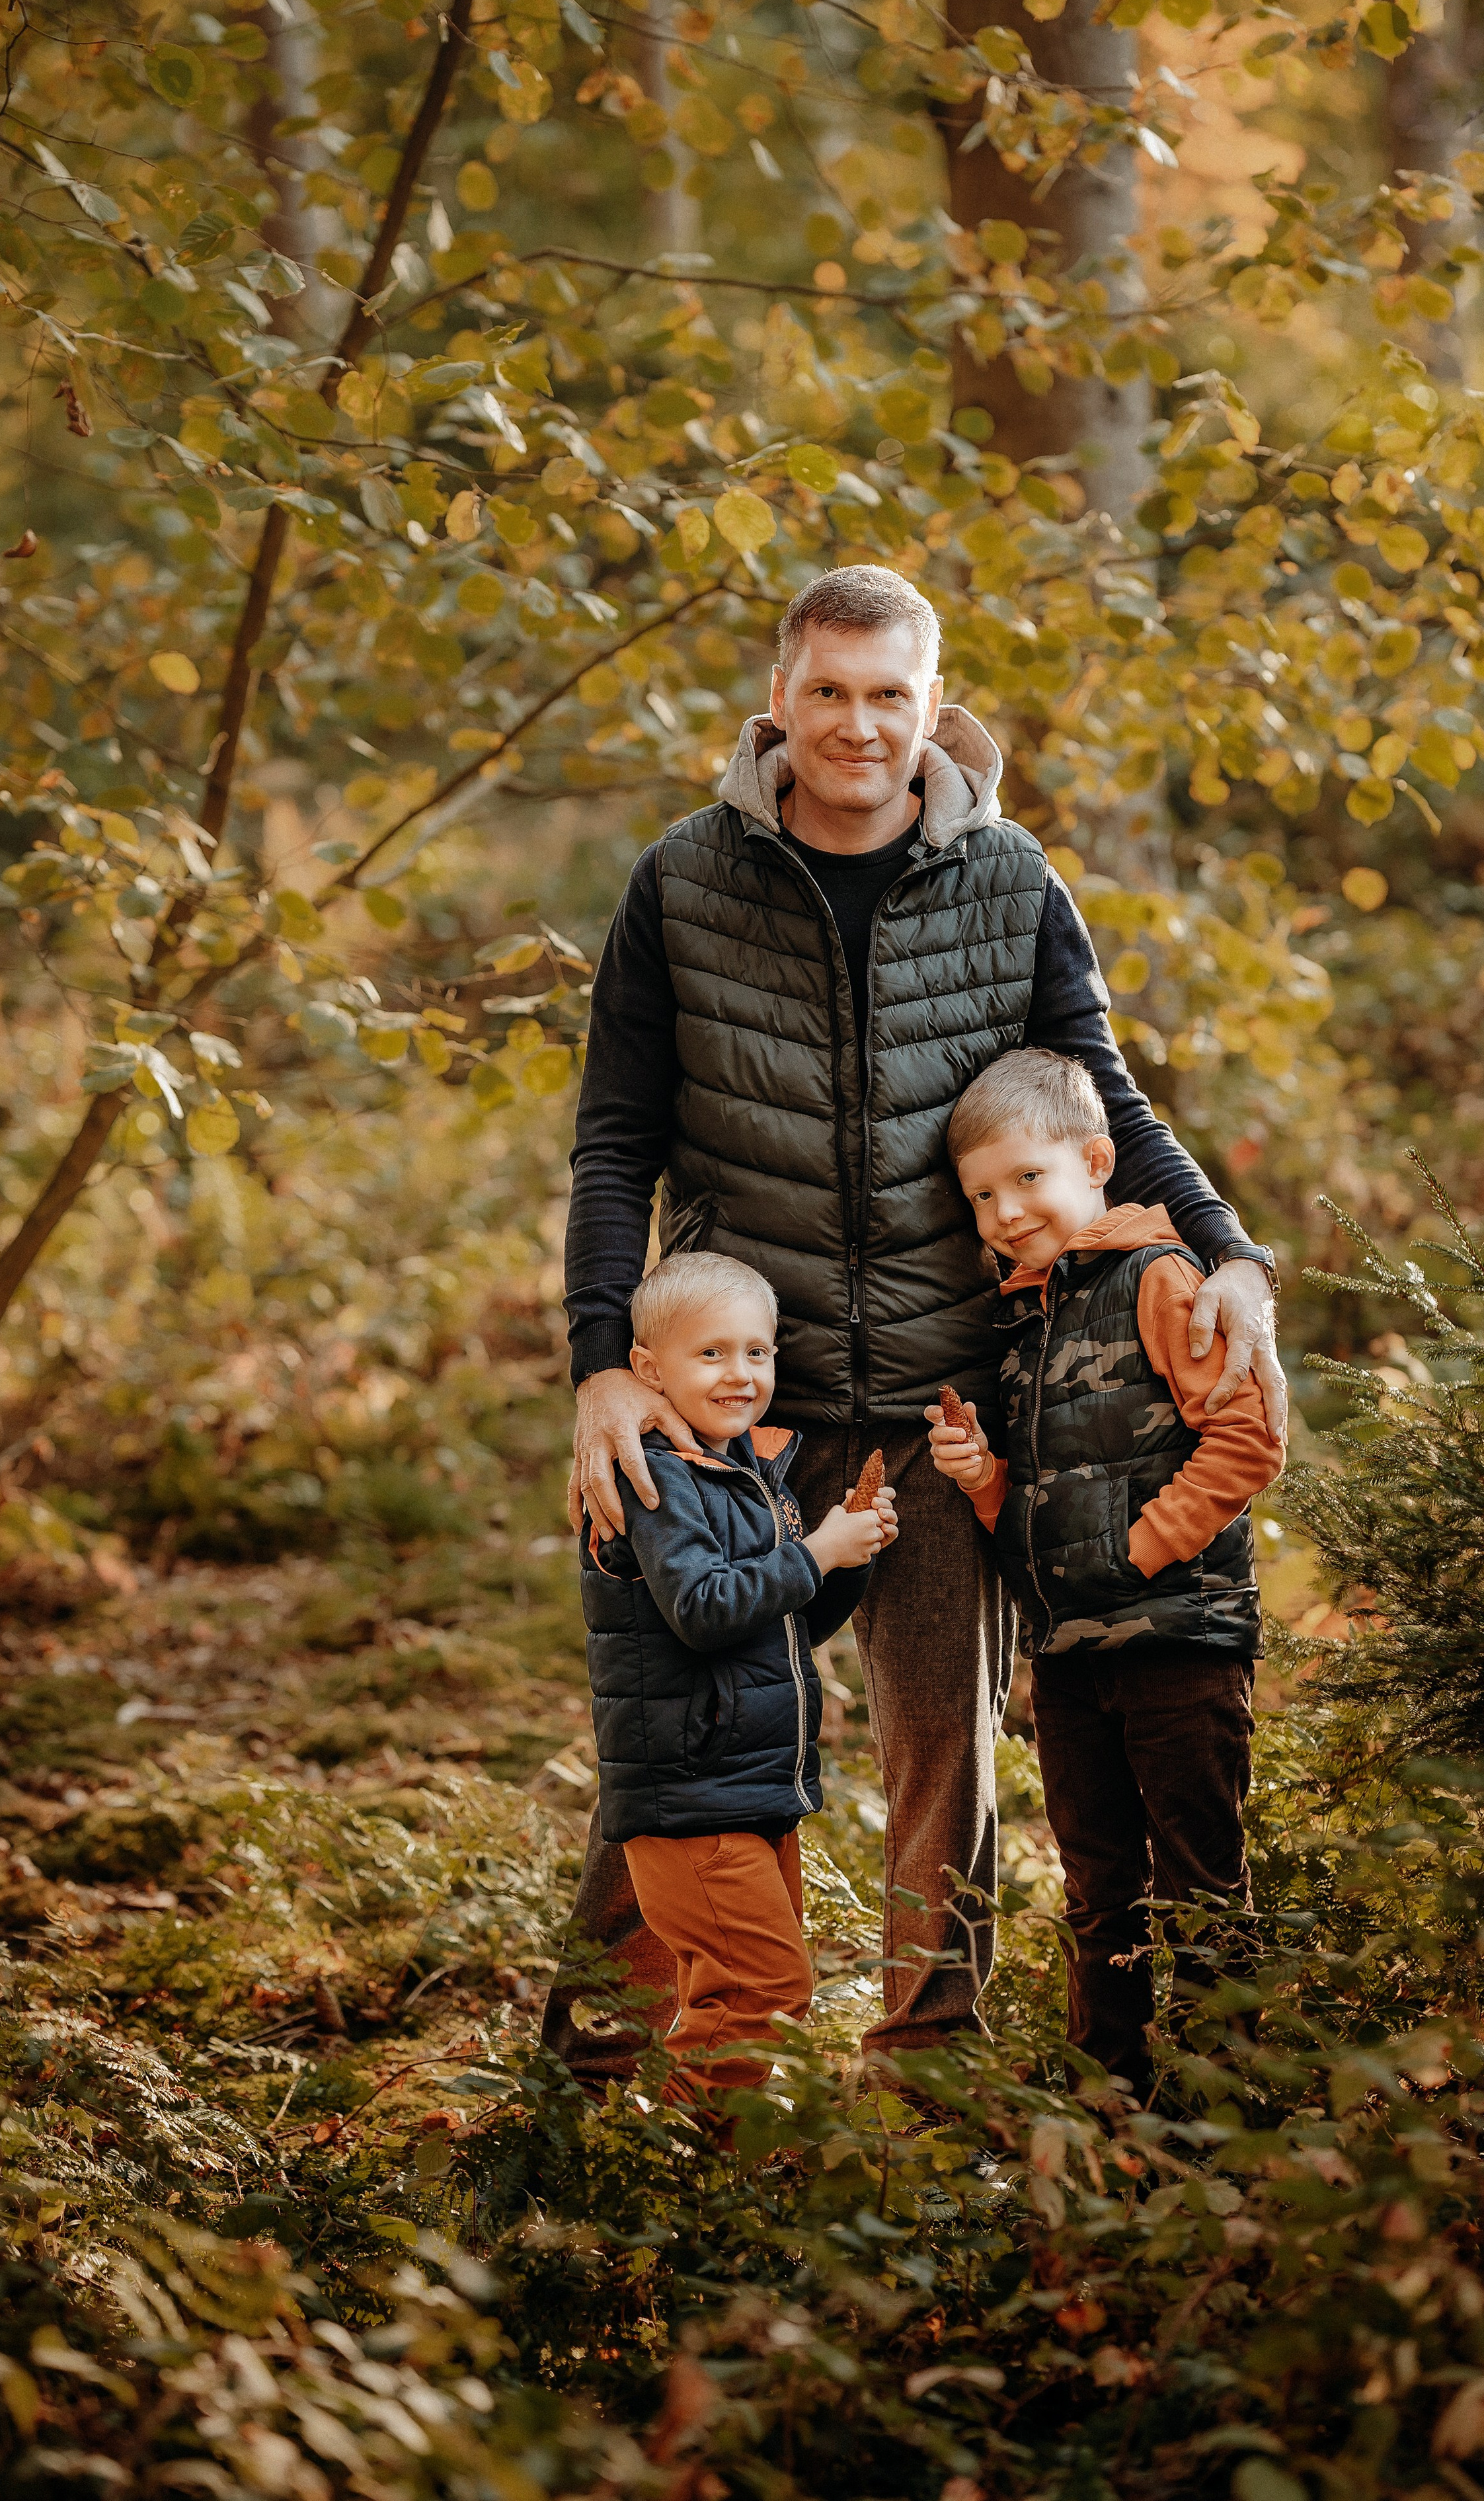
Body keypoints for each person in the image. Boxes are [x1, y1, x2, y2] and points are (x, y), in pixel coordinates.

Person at [548, 561, 1285, 2081]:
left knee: (936, 1765)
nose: (857, 723)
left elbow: (1102, 1103)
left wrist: (1226, 1252)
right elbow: (615, 1144)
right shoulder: (682, 881)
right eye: (826, 689)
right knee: (681, 1743)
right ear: (777, 702)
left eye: (888, 693)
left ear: (930, 706)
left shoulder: (1010, 878)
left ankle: (924, 2090)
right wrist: (601, 1369)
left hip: (946, 1407)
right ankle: (580, 2084)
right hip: (734, 1404)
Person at [927, 1047, 1284, 2104]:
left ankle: (1229, 2108)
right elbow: (1041, 1500)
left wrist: (1140, 1550)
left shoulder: (1160, 1277)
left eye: (1028, 1179)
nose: (1004, 1211)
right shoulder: (1024, 1318)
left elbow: (1250, 1436)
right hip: (1072, 1657)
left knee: (1200, 1884)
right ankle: (1108, 2103)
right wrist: (986, 1479)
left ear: (1095, 1160)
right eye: (983, 1195)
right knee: (1099, 1888)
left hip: (1177, 1638)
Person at [580, 1249, 896, 2096]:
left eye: (756, 1353)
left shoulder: (743, 1477)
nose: (739, 1374)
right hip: (693, 1794)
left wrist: (848, 1557)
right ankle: (683, 2178)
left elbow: (784, 1628)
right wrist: (813, 1550)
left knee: (741, 1997)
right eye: (711, 1353)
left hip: (749, 1787)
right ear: (648, 1369)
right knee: (763, 1992)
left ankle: (717, 2175)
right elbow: (704, 1610)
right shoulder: (656, 1475)